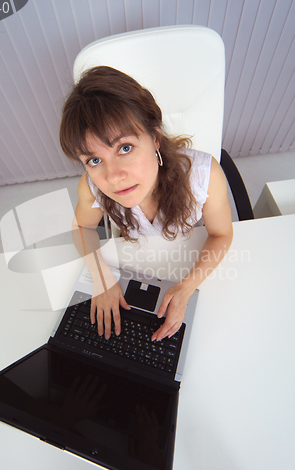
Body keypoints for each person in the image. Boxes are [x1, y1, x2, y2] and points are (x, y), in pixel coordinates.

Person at [59, 66, 233, 342]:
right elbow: (81, 227)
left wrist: (188, 286)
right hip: (136, 258)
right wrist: (102, 277)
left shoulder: (203, 174)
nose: (113, 177)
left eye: (124, 148)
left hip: (185, 253)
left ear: (154, 138)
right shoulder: (92, 186)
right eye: (94, 160)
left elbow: (221, 234)